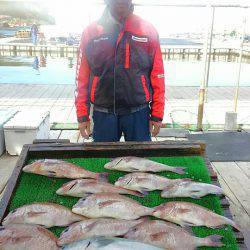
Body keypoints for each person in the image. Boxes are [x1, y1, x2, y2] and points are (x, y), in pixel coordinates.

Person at [75, 0, 165, 142]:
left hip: (139, 113)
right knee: (103, 161)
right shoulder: (91, 32)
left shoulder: (147, 30)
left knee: (141, 161)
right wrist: (82, 115)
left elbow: (158, 75)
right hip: (103, 113)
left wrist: (157, 114)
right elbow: (82, 77)